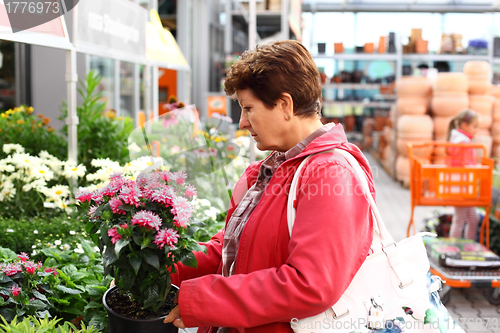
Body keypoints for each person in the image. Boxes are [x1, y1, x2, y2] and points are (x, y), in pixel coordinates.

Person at [164, 40, 374, 333]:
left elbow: (310, 284)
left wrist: (203, 301)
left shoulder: (330, 174)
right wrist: (162, 260)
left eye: (249, 108)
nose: (242, 123)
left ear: (285, 105)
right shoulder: (271, 169)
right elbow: (230, 251)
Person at [447, 109, 480, 240]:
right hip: (462, 186)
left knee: (473, 219)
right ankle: (454, 247)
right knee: (460, 219)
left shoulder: (459, 140)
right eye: (474, 126)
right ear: (464, 125)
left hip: (465, 186)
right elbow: (466, 165)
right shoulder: (462, 143)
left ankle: (468, 245)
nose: (476, 130)